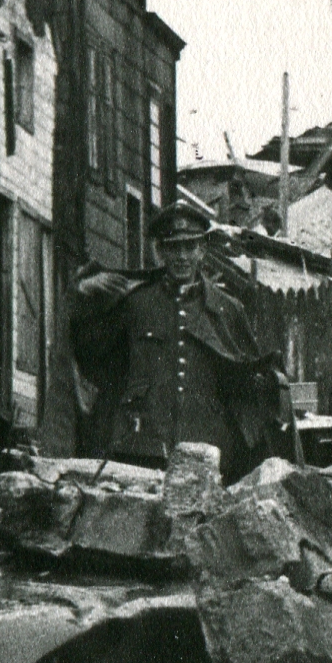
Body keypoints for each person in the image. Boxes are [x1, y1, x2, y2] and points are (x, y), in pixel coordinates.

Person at [71, 202, 292, 478]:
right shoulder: (137, 303)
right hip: (142, 446)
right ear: (161, 251)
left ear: (202, 250)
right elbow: (96, 356)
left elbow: (246, 376)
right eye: (174, 247)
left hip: (208, 448)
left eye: (190, 247)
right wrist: (83, 292)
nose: (182, 256)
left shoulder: (227, 309)